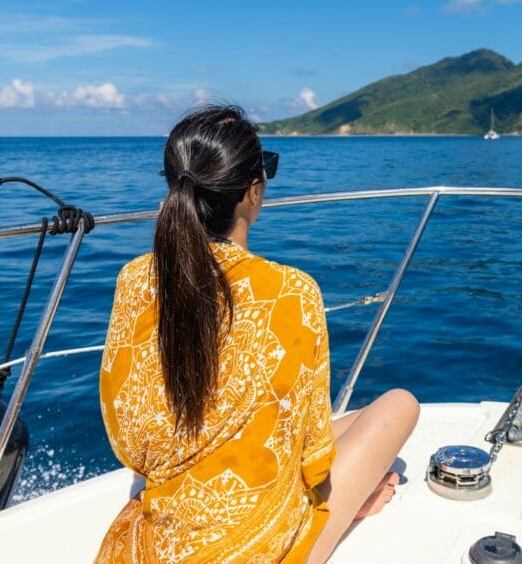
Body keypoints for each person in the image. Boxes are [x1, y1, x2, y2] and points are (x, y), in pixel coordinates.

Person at [97, 106, 419, 563]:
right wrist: (355, 499)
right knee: (398, 405)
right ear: (253, 190)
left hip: (159, 543)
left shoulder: (135, 280)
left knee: (355, 415)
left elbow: (130, 444)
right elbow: (312, 459)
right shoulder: (292, 291)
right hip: (258, 546)